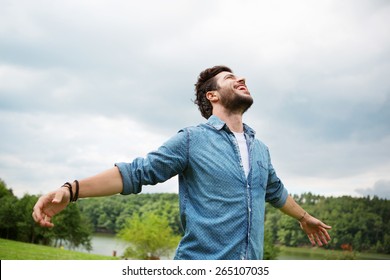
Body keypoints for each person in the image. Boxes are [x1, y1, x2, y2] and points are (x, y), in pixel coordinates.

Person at [32, 65, 331, 260]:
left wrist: (304, 217)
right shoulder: (191, 140)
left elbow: (275, 191)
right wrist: (71, 190)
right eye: (231, 78)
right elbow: (136, 173)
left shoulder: (261, 149)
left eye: (241, 77)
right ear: (212, 95)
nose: (242, 79)